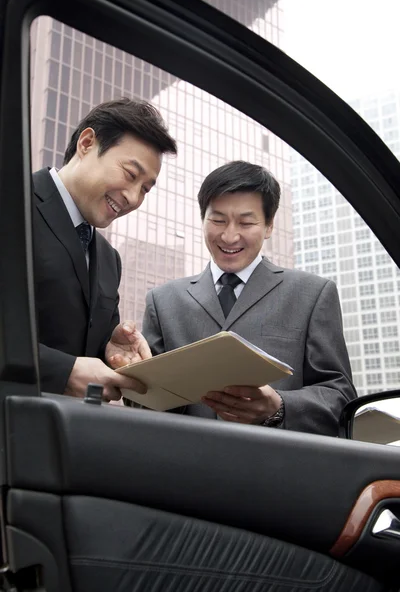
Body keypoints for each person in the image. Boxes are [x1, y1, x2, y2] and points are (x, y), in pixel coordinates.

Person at [141, 160, 356, 436]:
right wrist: (132, 377)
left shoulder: (313, 294)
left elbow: (341, 397)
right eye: (217, 220)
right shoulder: (163, 301)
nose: (230, 236)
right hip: (183, 470)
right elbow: (143, 405)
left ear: (268, 226)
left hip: (277, 471)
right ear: (202, 220)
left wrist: (278, 406)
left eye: (246, 222)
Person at [33, 98, 177, 400]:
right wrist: (62, 371)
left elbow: (84, 347)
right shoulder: (12, 201)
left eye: (145, 189)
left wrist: (111, 348)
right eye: (130, 174)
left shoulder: (110, 260)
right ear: (87, 143)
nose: (133, 198)